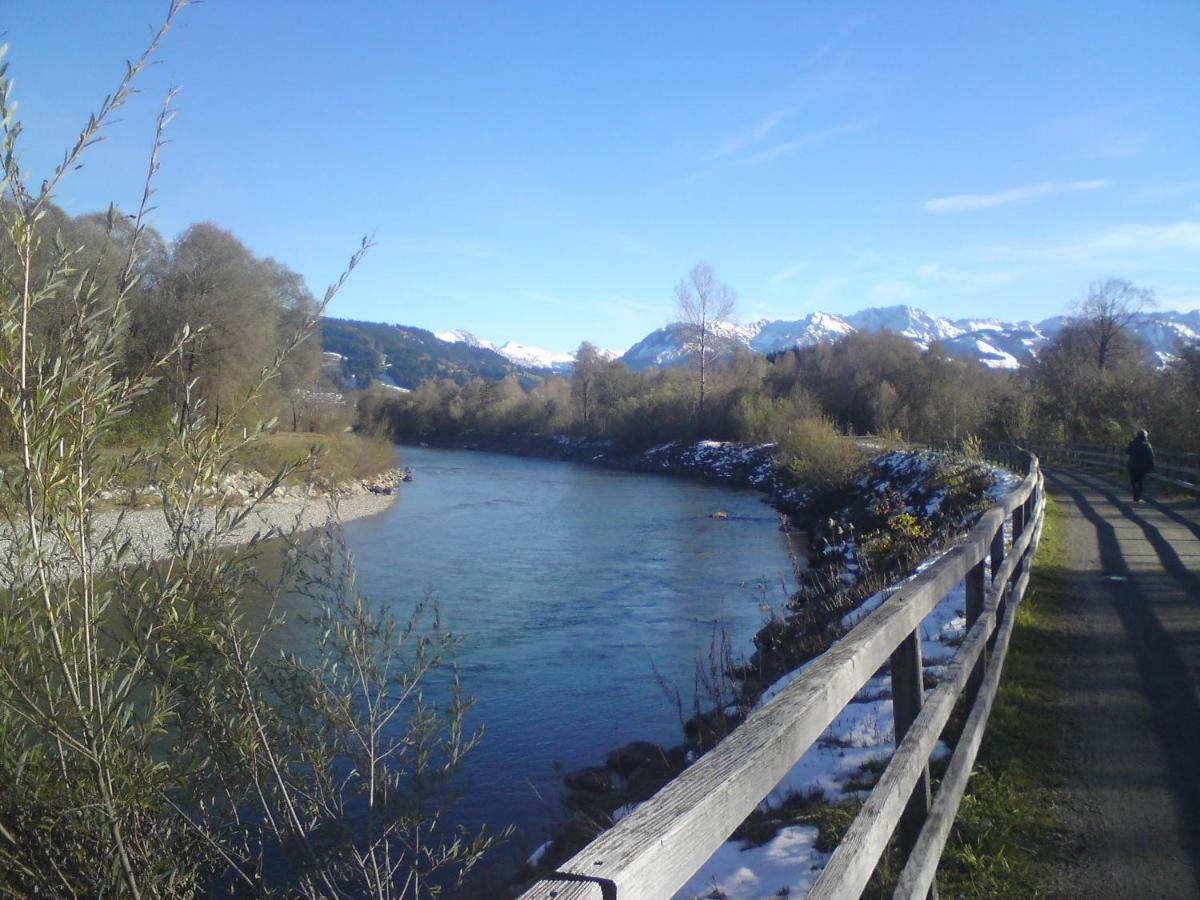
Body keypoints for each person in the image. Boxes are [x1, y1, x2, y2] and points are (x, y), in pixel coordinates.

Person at [1125, 429, 1155, 502]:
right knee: (1140, 481)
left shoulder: (1133, 443)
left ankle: (1135, 493)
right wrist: (1151, 466)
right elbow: (1151, 456)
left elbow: (1127, 451)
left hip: (1133, 465)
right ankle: (1138, 495)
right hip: (1143, 466)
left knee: (1133, 481)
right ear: (1145, 435)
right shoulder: (1147, 444)